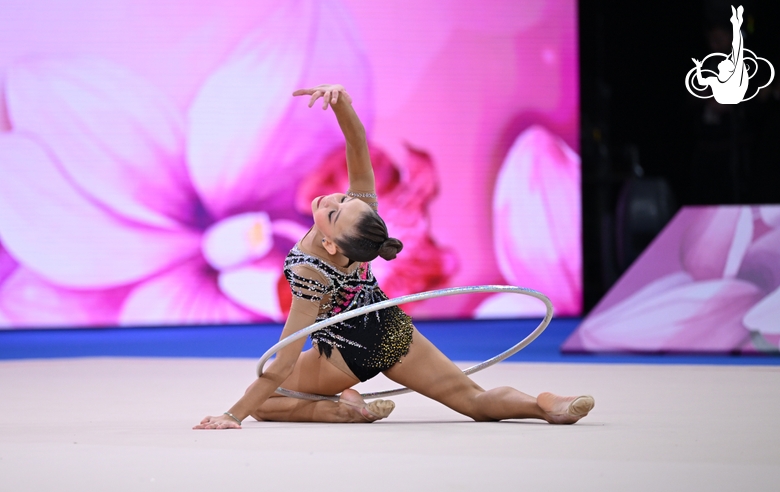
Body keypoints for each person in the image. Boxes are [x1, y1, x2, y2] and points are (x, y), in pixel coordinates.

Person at [194, 84, 595, 429]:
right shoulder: (363, 229)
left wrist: (233, 414)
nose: (332, 198)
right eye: (340, 199)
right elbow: (357, 148)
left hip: (343, 354)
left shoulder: (308, 272)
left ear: (331, 244)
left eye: (333, 211)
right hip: (392, 332)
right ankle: (544, 406)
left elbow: (280, 362)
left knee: (264, 403)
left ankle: (340, 407)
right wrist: (340, 103)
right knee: (472, 400)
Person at [693, 5, 748, 104]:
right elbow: (699, 86)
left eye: (719, 40)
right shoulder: (708, 63)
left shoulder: (743, 64)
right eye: (711, 41)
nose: (714, 46)